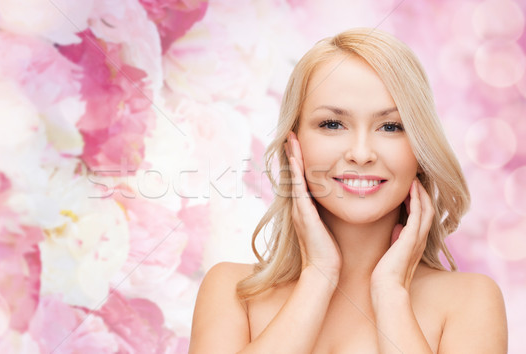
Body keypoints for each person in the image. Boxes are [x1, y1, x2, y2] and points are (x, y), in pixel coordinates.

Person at [189, 27, 508, 353]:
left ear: (421, 151)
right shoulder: (231, 292)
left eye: (391, 126)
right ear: (293, 145)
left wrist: (390, 293)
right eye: (332, 124)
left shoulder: (470, 301)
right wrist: (318, 275)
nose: (360, 153)